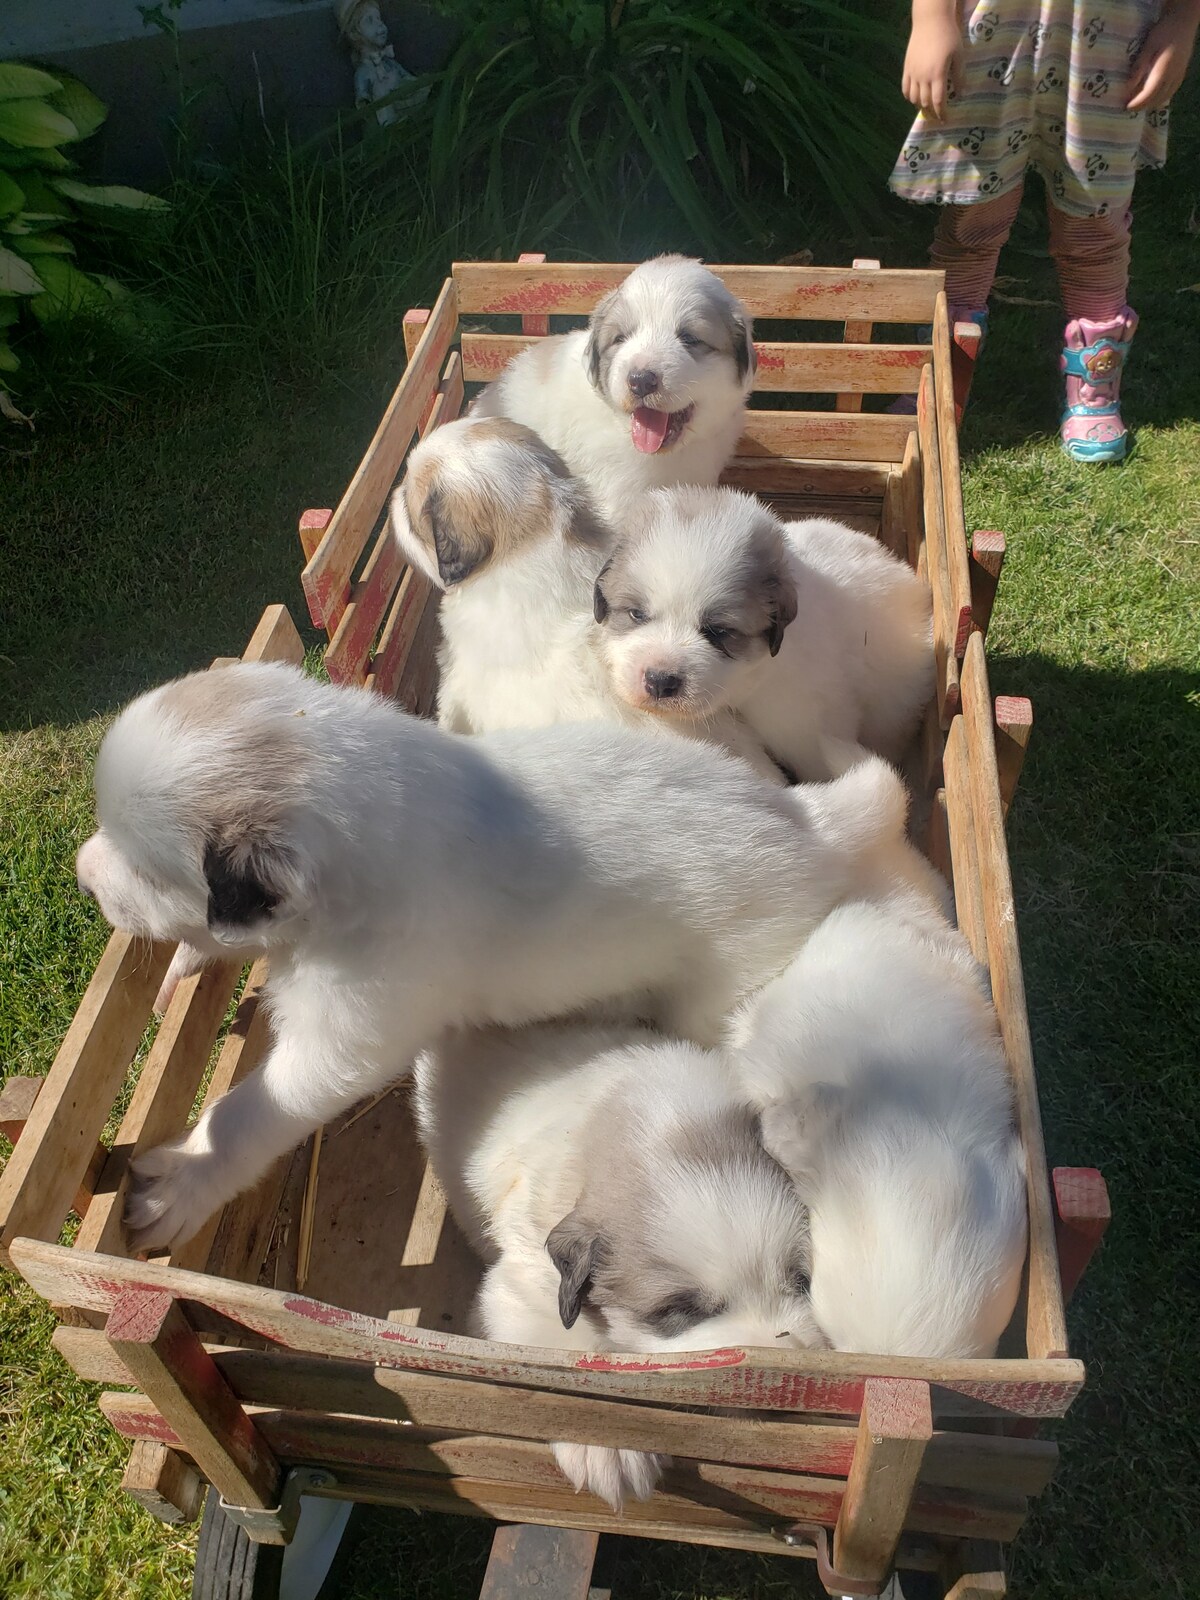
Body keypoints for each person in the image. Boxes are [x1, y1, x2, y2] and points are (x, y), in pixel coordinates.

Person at [890, 0, 1199, 461]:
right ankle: (942, 376)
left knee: (1093, 224)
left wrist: (1181, 20)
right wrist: (932, 17)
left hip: (1110, 49)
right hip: (995, 41)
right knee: (973, 219)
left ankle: (1096, 383)